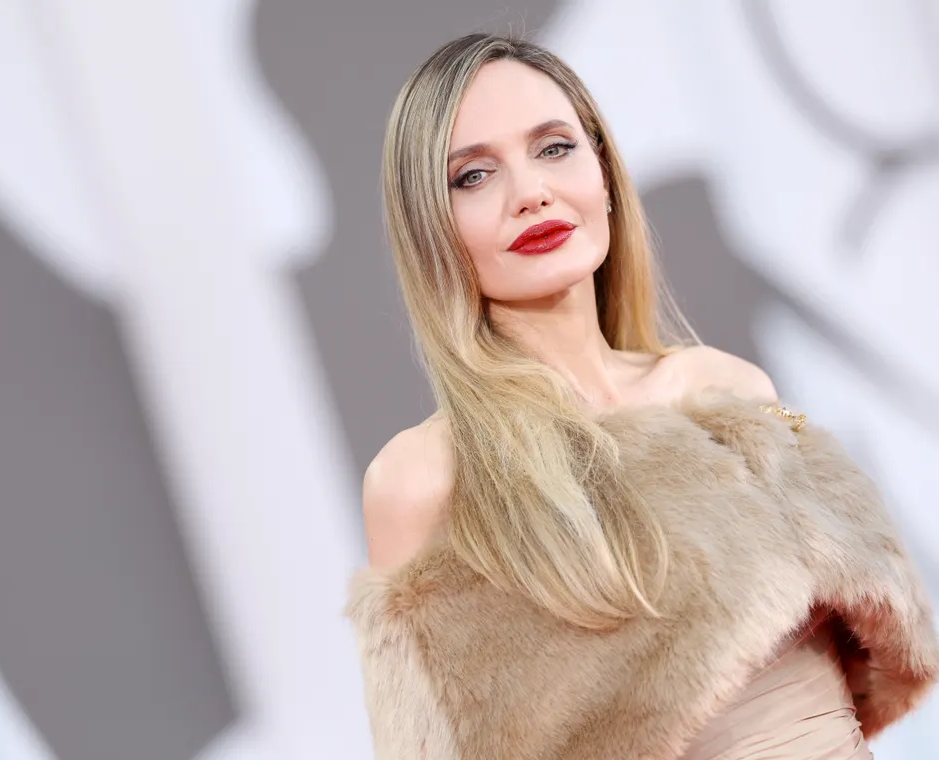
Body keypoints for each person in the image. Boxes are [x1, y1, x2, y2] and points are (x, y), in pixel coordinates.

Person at [346, 32, 939, 760]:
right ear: (429, 226)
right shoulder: (420, 480)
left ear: (603, 172)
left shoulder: (728, 391)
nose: (530, 192)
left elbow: (858, 660)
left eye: (554, 148)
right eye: (472, 176)